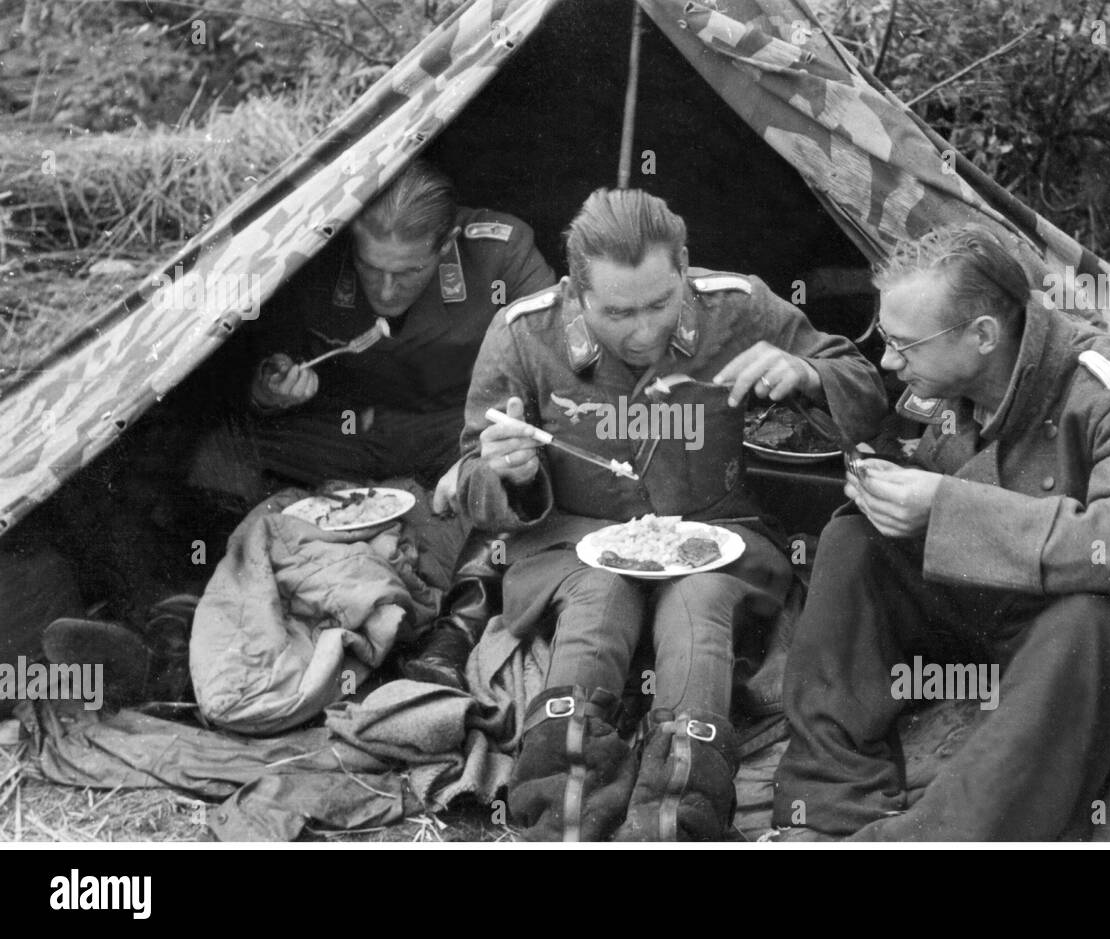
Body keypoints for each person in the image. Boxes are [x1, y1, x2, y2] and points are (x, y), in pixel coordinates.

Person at [771, 224, 1110, 840]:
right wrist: (892, 488)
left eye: (905, 344)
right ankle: (826, 801)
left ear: (983, 335)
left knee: (1083, 619)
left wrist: (946, 507)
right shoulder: (959, 384)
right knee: (854, 541)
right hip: (1022, 610)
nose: (890, 361)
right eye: (885, 340)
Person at [454, 188, 885, 841]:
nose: (644, 329)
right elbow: (469, 475)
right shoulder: (523, 333)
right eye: (617, 311)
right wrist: (505, 471)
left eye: (661, 302)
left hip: (720, 535)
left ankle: (681, 814)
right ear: (575, 291)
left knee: (699, 603)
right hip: (571, 544)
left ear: (684, 265)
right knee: (597, 606)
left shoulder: (737, 305)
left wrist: (804, 372)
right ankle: (557, 810)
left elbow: (864, 385)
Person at [188, 162, 556, 685]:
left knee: (512, 477)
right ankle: (189, 618)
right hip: (339, 431)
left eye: (406, 273)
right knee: (213, 461)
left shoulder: (501, 251)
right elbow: (247, 354)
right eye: (370, 268)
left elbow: (551, 361)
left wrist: (480, 456)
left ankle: (452, 633)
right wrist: (268, 393)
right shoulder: (311, 250)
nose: (384, 290)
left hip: (448, 432)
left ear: (446, 243)